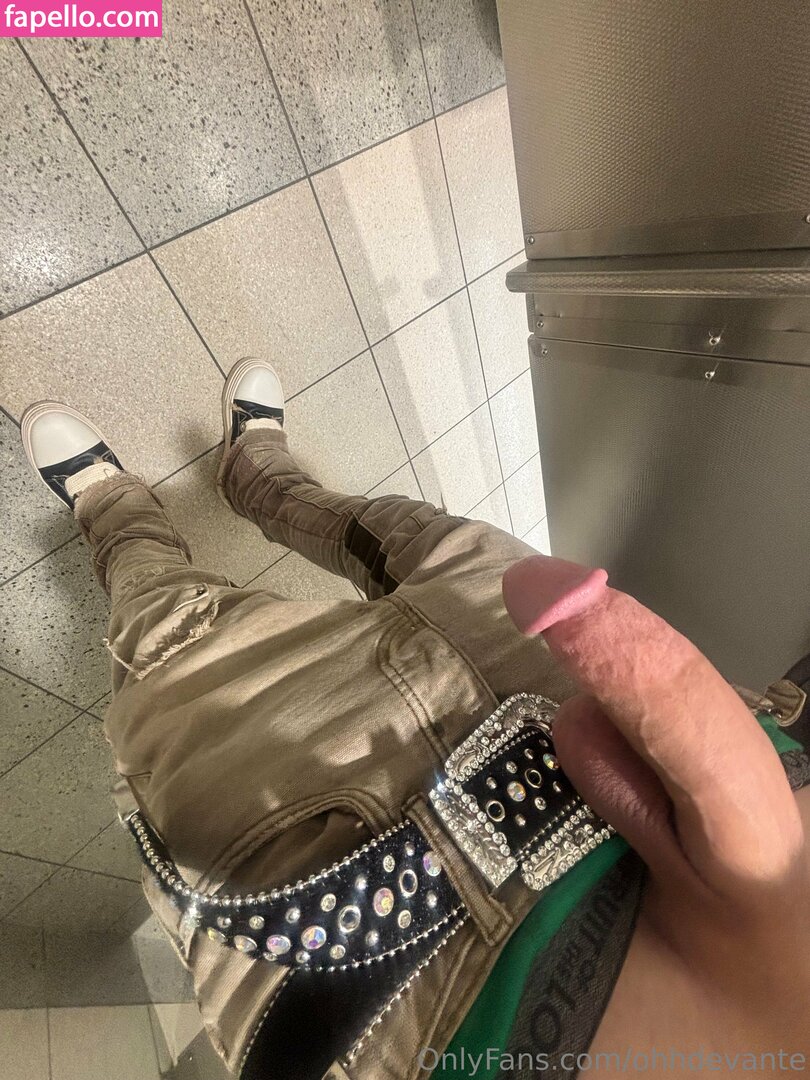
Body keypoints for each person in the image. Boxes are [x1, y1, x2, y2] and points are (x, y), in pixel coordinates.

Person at [19, 358, 810, 1079]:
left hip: (398, 969)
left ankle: (116, 515)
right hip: (651, 740)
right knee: (418, 538)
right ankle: (261, 480)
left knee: (179, 648)